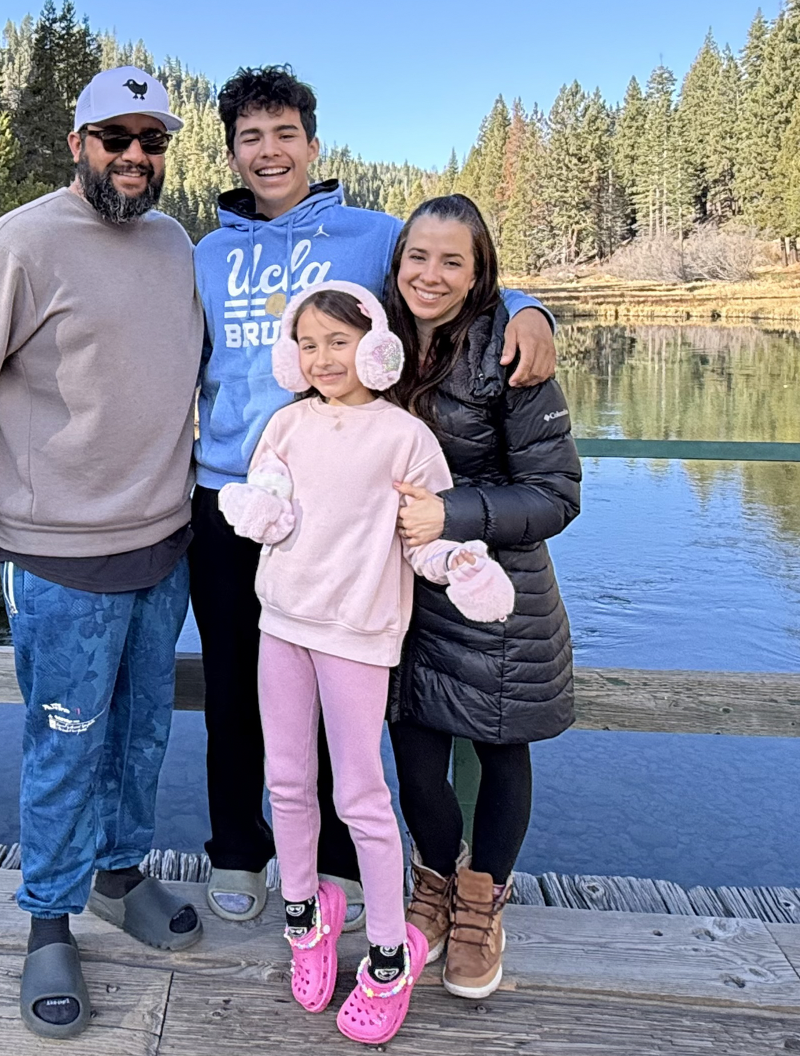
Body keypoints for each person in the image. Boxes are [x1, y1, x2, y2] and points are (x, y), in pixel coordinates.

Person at [193, 64, 556, 927]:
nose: (269, 151)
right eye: (251, 137)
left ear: (313, 145)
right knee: (240, 687)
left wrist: (535, 309)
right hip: (228, 497)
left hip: (346, 507)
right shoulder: (206, 253)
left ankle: (338, 861)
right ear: (236, 153)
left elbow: (457, 270)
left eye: (285, 134)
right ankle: (241, 851)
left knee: (342, 686)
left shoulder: (369, 236)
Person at [0, 66, 205, 1041]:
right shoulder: (22, 242)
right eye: (114, 137)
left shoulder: (173, 244)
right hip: (58, 561)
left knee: (141, 735)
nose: (133, 155)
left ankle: (120, 876)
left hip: (165, 546)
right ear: (76, 143)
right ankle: (49, 919)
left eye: (150, 139)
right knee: (65, 745)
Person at [219, 279, 515, 1045]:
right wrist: (257, 508)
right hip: (280, 625)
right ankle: (306, 918)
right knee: (285, 781)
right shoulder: (284, 425)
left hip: (358, 636)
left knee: (361, 795)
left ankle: (388, 954)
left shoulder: (405, 437)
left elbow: (425, 537)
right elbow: (269, 502)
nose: (323, 358)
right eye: (308, 344)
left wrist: (462, 563)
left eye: (338, 342)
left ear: (376, 348)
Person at [384, 195, 583, 1000]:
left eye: (452, 261)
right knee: (416, 757)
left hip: (493, 598)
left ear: (479, 274)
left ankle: (480, 901)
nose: (430, 275)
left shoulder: (510, 353)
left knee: (502, 751)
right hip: (402, 596)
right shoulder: (379, 344)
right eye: (417, 258)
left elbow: (557, 494)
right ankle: (433, 880)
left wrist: (450, 513)